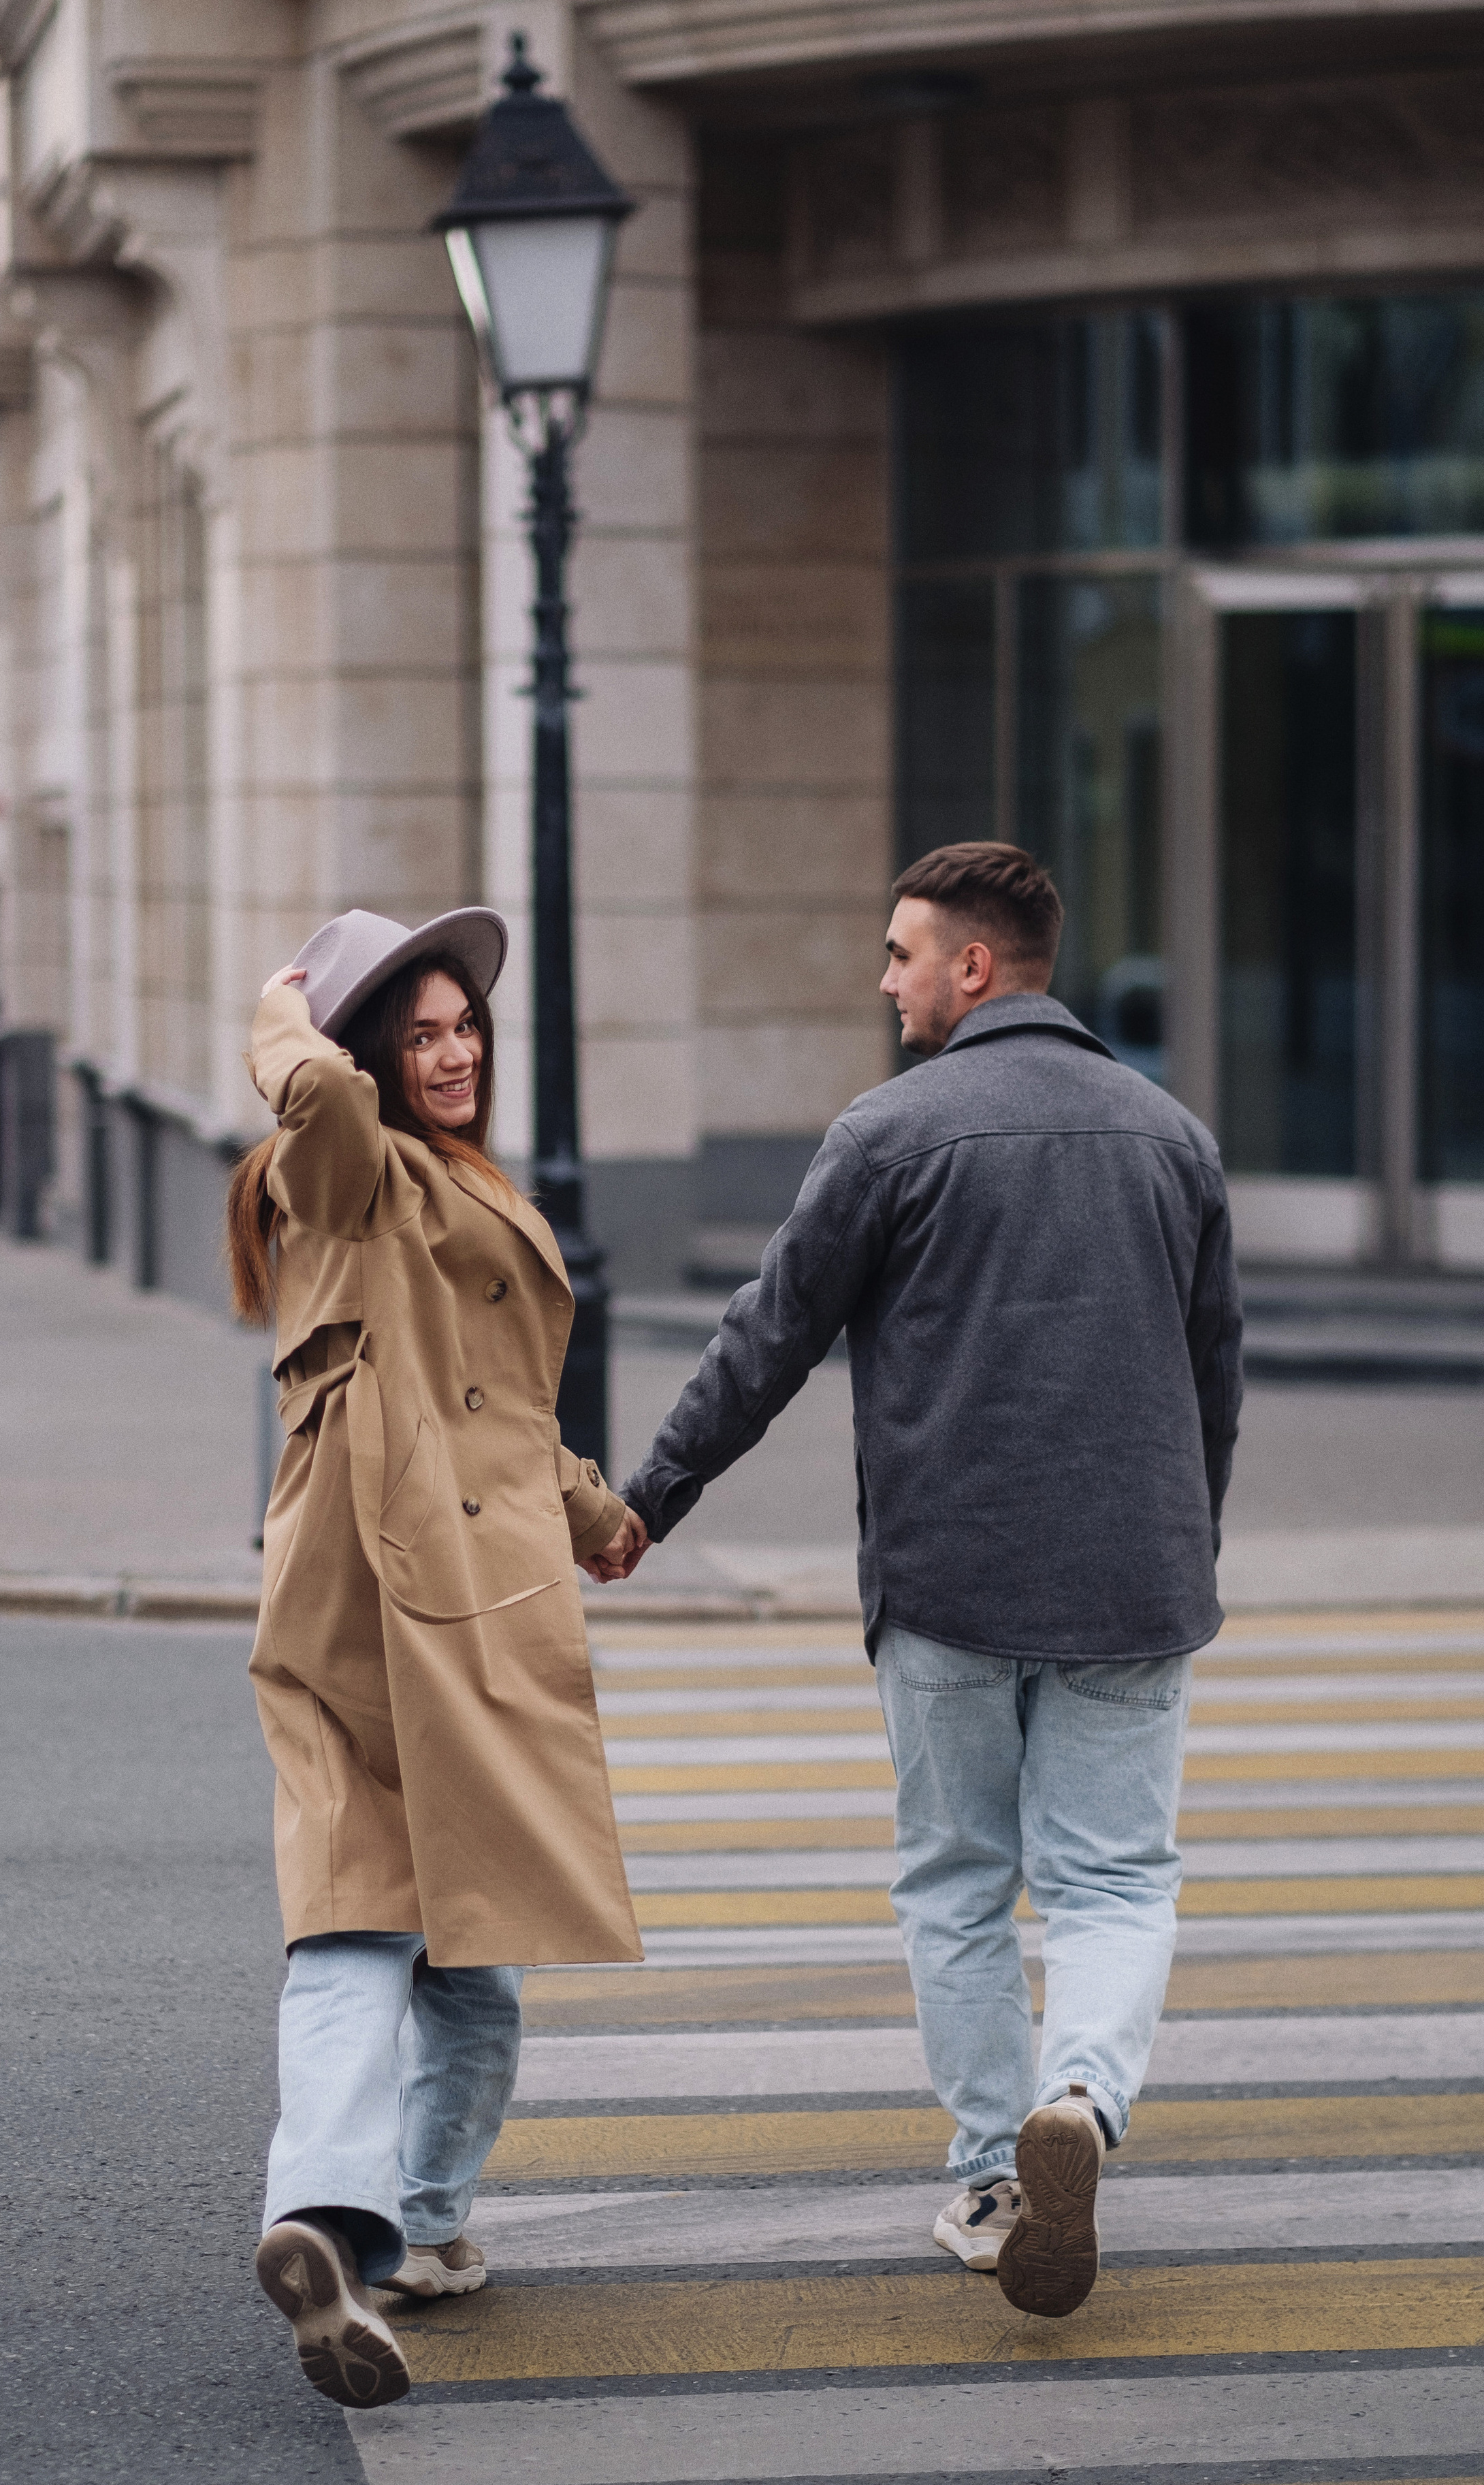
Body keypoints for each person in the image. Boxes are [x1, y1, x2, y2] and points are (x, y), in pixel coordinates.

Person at [608, 841, 1242, 2320]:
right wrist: (1181, 1543)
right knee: (1113, 1879)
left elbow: (766, 1339)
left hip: (947, 1581)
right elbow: (1213, 1378)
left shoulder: (887, 1135)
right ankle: (1079, 2100)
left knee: (957, 1883)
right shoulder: (1173, 1139)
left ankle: (994, 2178)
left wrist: (648, 1501)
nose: (884, 981)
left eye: (901, 954)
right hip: (1131, 1580)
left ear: (973, 965)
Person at [225, 903, 647, 2413]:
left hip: (365, 1583)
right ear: (357, 1054)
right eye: (419, 1034)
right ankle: (396, 2214)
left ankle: (348, 2218)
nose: (456, 1053)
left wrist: (591, 1507)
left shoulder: (430, 1180)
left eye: (465, 1026)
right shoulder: (346, 1171)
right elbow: (327, 1110)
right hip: (422, 1590)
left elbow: (488, 1400)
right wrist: (278, 1019)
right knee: (444, 1938)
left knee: (379, 1922)